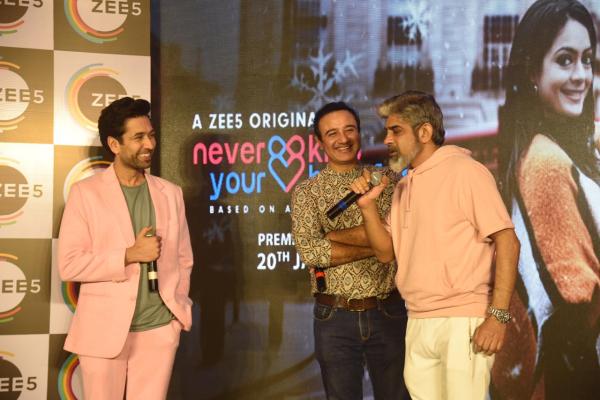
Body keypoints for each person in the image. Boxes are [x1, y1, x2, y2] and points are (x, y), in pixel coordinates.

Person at [350, 91, 520, 400]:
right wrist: (367, 207)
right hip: (418, 319)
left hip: (462, 320)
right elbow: (385, 252)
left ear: (425, 132)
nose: (387, 139)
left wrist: (498, 316)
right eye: (387, 131)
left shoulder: (466, 171)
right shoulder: (404, 186)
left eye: (396, 130)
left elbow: (508, 240)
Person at [495, 1, 600, 398]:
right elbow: (573, 312)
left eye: (587, 60)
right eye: (565, 60)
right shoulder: (546, 164)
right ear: (532, 72)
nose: (581, 76)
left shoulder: (553, 149)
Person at [57, 97, 193, 400]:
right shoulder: (86, 194)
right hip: (102, 331)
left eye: (151, 135)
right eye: (138, 137)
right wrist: (129, 255)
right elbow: (69, 264)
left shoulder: (170, 193)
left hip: (158, 330)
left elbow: (184, 259)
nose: (149, 144)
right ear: (114, 144)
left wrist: (176, 313)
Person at [291, 101, 410, 400]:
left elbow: (402, 237)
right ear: (319, 142)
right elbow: (311, 252)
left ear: (359, 132)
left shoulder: (388, 182)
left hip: (388, 310)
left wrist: (332, 236)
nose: (343, 139)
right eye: (332, 133)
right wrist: (380, 245)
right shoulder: (307, 191)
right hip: (335, 316)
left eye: (349, 130)